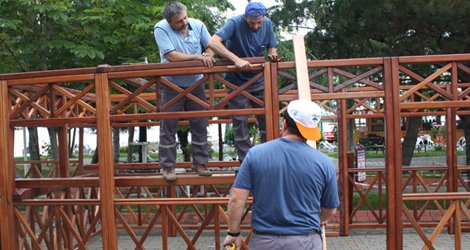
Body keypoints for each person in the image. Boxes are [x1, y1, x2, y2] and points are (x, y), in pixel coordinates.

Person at [223, 100, 340, 250]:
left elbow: (236, 200)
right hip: (306, 242)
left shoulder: (256, 155)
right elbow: (330, 209)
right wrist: (318, 221)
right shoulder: (324, 163)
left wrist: (233, 233)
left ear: (284, 123)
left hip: (264, 242)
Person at [208, 1, 279, 163]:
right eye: (252, 23)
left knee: (267, 119)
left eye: (258, 22)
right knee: (240, 121)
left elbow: (271, 47)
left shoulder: (267, 24)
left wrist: (273, 54)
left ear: (264, 17)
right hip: (236, 81)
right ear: (245, 17)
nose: (255, 26)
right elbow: (212, 42)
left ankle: (270, 158)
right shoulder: (234, 22)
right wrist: (236, 60)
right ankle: (245, 161)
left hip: (259, 79)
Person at [154, 1, 215, 181]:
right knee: (168, 125)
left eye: (185, 17)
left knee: (200, 124)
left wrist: (209, 55)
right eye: (179, 21)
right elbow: (172, 56)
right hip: (171, 84)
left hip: (196, 83)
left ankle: (200, 163)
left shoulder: (198, 25)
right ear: (170, 22)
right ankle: (167, 166)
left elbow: (212, 45)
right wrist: (198, 57)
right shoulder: (161, 28)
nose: (184, 22)